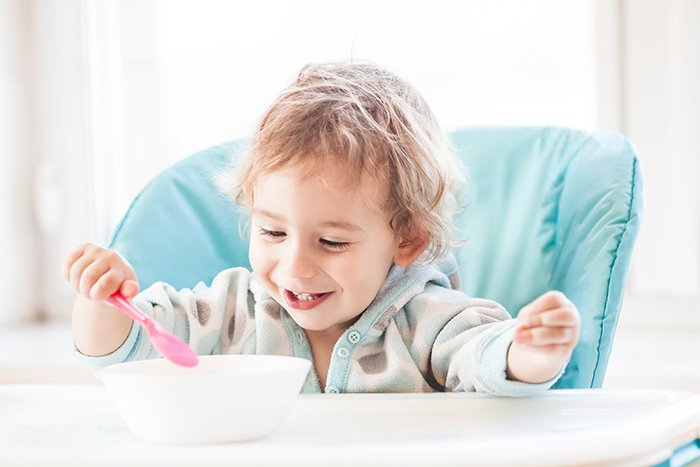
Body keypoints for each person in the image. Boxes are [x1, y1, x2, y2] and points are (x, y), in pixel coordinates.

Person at [64, 62, 580, 395]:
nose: (294, 266)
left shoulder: (433, 323)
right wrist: (101, 299)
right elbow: (124, 352)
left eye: (331, 241)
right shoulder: (229, 314)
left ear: (408, 239)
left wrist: (530, 353)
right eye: (272, 233)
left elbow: (491, 365)